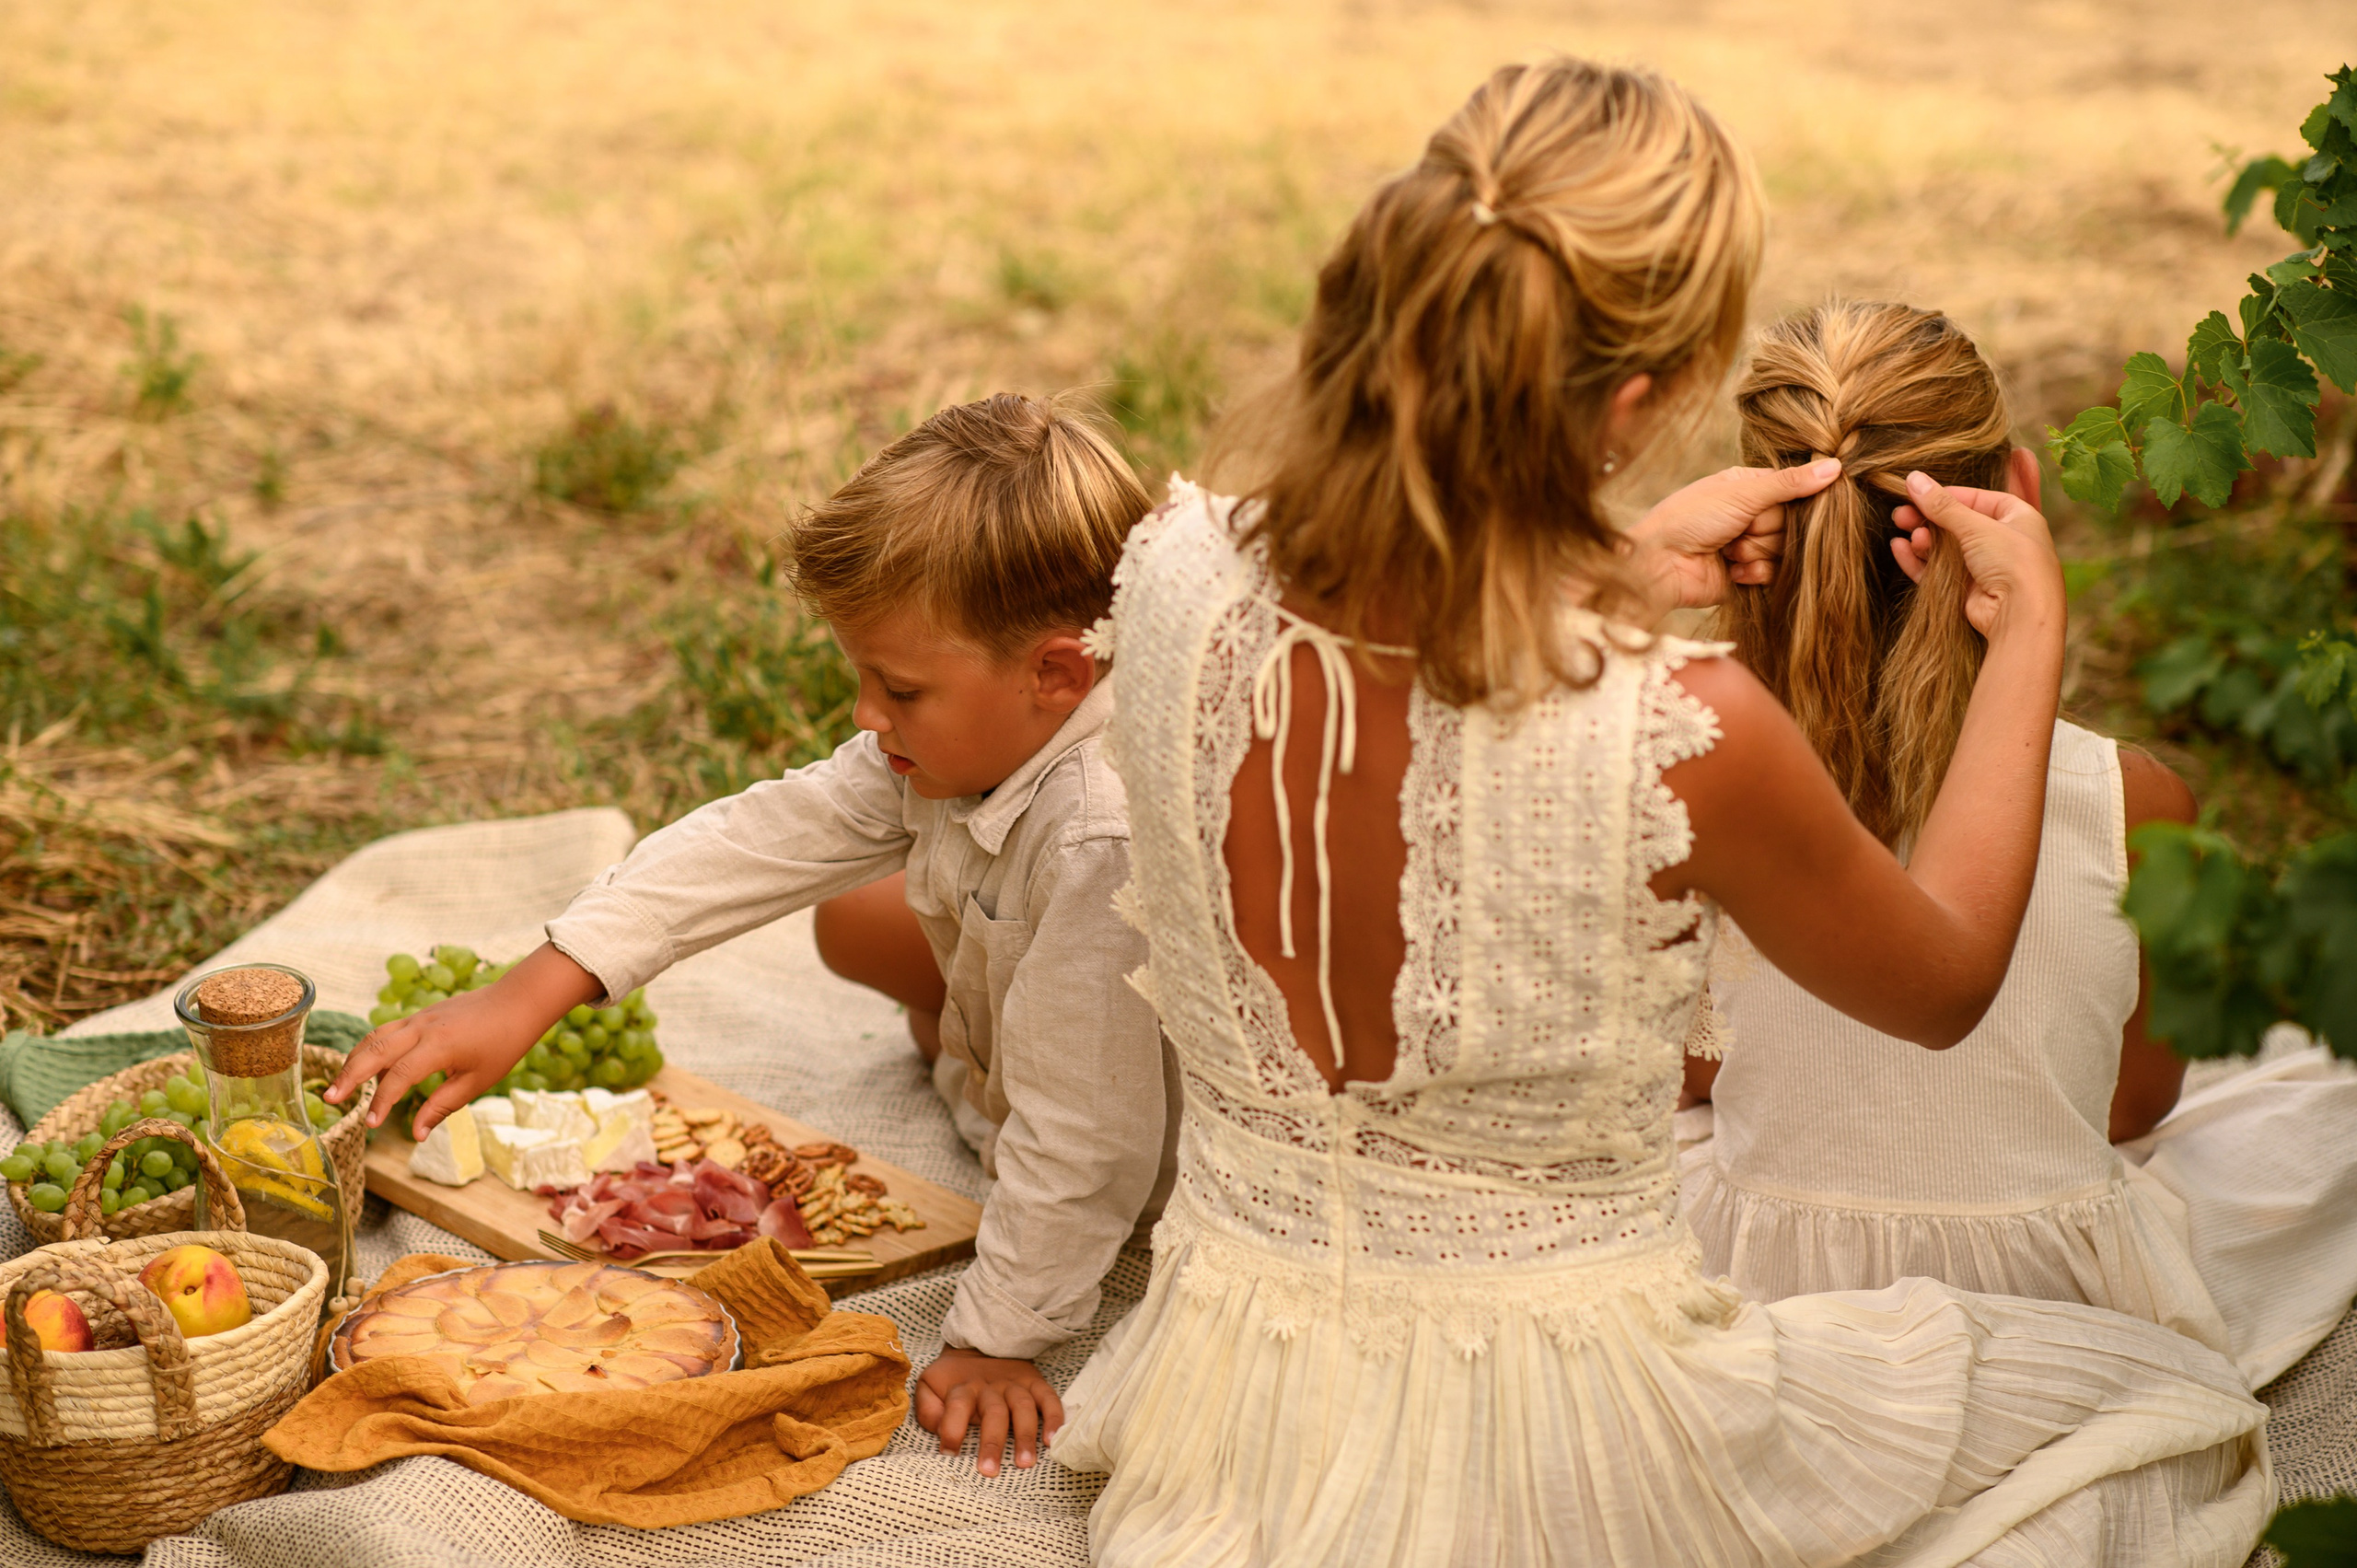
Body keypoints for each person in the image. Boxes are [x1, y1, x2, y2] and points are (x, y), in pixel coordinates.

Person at [1051, 60, 2270, 1566]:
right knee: (2154, 1395)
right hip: (1566, 1443)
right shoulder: (1683, 735)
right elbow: (1947, 973)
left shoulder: (1179, 570)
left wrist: (1604, 567)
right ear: (1633, 400)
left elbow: (1416, 694)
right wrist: (2024, 645)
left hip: (1233, 1389)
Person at [329, 392, 1181, 1479]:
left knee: (1056, 1073)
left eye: (900, 686)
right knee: (849, 916)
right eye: (860, 676)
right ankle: (966, 1034)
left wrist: (998, 1336)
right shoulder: (985, 734)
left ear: (1057, 673)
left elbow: (1090, 1136)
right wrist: (534, 986)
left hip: (1141, 1129)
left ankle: (980, 1069)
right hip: (1052, 1005)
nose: (868, 715)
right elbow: (763, 836)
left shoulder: (1100, 832)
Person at [1679, 299, 2357, 1390]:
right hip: (2053, 1301)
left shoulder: (1705, 780)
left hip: (1775, 1289)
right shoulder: (2135, 798)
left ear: (1757, 526)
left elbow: (1691, 1070)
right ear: (2022, 492)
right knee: (2312, 1103)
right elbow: (2136, 1106)